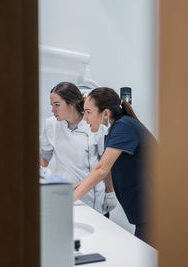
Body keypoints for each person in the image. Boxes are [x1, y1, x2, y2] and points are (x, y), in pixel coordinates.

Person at [73, 87, 154, 242]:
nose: (84, 118)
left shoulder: (124, 126)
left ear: (106, 113)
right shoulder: (117, 128)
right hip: (144, 213)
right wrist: (73, 189)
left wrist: (71, 200)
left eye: (88, 112)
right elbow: (102, 168)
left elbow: (102, 169)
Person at [40, 82, 117, 214]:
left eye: (57, 105)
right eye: (52, 105)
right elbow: (44, 158)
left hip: (92, 196)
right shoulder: (51, 124)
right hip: (64, 193)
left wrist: (109, 192)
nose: (53, 110)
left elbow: (105, 165)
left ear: (72, 104)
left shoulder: (94, 125)